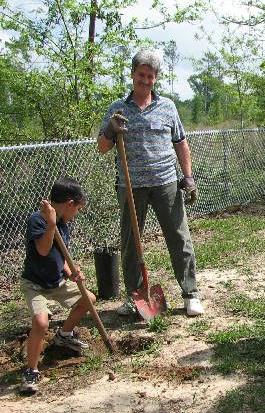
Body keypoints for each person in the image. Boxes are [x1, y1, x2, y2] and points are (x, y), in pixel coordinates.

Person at [98, 49, 204, 318]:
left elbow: (181, 143)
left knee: (179, 237)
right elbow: (102, 147)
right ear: (133, 74)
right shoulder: (117, 109)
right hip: (131, 186)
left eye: (150, 76)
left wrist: (188, 176)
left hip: (165, 182)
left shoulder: (167, 106)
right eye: (140, 75)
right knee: (131, 243)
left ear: (155, 78)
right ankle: (135, 297)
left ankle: (190, 293)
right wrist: (111, 129)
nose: (145, 80)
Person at [20, 177, 96, 394]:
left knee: (88, 299)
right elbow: (43, 250)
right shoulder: (38, 220)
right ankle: (31, 370)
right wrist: (51, 224)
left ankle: (63, 336)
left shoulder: (62, 224)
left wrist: (72, 272)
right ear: (70, 204)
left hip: (57, 281)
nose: (77, 214)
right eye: (78, 209)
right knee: (41, 323)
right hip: (35, 284)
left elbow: (61, 256)